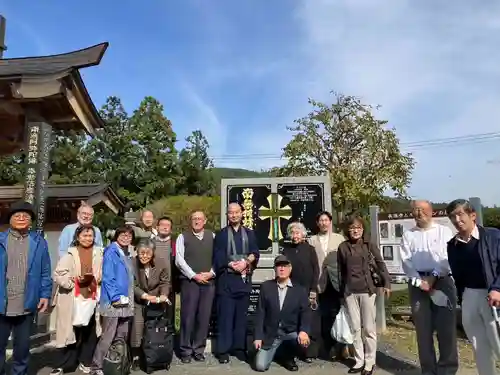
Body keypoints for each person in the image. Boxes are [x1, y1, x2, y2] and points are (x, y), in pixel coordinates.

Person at [399, 200, 458, 375]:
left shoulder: (444, 232)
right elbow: (406, 261)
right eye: (415, 210)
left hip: (442, 281)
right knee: (423, 331)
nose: (419, 213)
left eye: (423, 209)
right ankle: (428, 370)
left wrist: (433, 277)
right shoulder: (408, 235)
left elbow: (447, 257)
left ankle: (447, 369)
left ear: (431, 211)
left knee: (446, 329)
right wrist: (419, 281)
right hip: (418, 285)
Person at [446, 199, 500, 375]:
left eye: (460, 214)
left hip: (492, 295)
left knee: (498, 342)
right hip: (469, 296)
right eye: (452, 216)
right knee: (479, 346)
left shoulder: (492, 236)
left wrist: (497, 288)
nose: (457, 220)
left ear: (473, 215)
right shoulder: (453, 245)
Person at [0, 201, 52, 375]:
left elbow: (45, 271)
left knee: (22, 349)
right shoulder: (1, 240)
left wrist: (45, 295)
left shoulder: (39, 243)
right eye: (17, 215)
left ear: (31, 221)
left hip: (27, 302)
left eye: (26, 216)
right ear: (10, 220)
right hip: (2, 302)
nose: (21, 218)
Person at [338, 215, 390, 375]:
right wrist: (341, 292)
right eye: (352, 228)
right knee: (355, 328)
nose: (355, 231)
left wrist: (387, 283)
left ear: (363, 229)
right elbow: (341, 271)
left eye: (358, 228)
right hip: (349, 292)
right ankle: (358, 360)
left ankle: (370, 362)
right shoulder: (343, 247)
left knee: (368, 328)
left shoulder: (369, 245)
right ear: (348, 230)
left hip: (367, 291)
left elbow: (380, 264)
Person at [51, 225, 104, 375]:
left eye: (90, 236)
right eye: (84, 235)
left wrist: (97, 278)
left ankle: (85, 361)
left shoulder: (100, 254)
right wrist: (72, 281)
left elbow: (104, 273)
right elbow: (58, 274)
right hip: (72, 298)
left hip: (92, 297)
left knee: (90, 330)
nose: (88, 238)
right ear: (77, 237)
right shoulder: (69, 254)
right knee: (69, 331)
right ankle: (62, 365)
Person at [213, 202, 260, 363]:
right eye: (230, 213)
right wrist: (230, 263)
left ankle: (239, 348)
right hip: (226, 280)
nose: (233, 215)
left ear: (242, 213)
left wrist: (246, 262)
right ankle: (223, 351)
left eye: (236, 212)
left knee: (241, 317)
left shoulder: (250, 233)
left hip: (244, 280)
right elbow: (218, 255)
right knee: (225, 317)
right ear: (227, 215)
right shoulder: (221, 234)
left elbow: (255, 252)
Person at [253, 255, 311, 372]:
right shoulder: (266, 287)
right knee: (260, 366)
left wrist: (304, 331)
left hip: (290, 333)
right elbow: (260, 313)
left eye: (285, 266)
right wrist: (258, 337)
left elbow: (306, 312)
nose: (282, 269)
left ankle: (288, 357)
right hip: (272, 334)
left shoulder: (299, 290)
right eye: (279, 266)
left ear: (290, 269)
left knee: (301, 340)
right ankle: (276, 352)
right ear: (275, 269)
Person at [91, 225, 136, 375]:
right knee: (108, 337)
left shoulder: (126, 252)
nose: (125, 237)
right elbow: (108, 277)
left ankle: (116, 364)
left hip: (125, 302)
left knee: (121, 336)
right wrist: (115, 297)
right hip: (113, 302)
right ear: (116, 236)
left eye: (129, 235)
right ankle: (96, 366)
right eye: (122, 234)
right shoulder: (111, 252)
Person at [175, 211, 215, 363]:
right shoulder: (182, 237)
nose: (197, 221)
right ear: (190, 221)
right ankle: (185, 350)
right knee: (187, 317)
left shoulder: (212, 236)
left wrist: (211, 273)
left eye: (199, 219)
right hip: (190, 282)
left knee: (204, 317)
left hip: (208, 282)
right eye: (194, 219)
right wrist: (193, 275)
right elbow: (179, 260)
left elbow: (218, 257)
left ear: (205, 221)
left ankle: (199, 349)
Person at [308, 211, 346, 360]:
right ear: (317, 223)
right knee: (322, 316)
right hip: (320, 282)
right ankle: (326, 348)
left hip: (336, 281)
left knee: (338, 314)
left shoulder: (339, 238)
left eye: (326, 220)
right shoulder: (312, 240)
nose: (324, 223)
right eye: (321, 220)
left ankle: (340, 347)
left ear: (330, 222)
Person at [281, 221, 319, 362]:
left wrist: (314, 289)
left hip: (309, 290)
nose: (295, 236)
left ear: (303, 234)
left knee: (309, 320)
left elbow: (316, 270)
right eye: (292, 233)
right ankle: (294, 351)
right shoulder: (287, 250)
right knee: (293, 321)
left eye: (297, 233)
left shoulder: (310, 249)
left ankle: (309, 353)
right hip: (293, 290)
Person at [130, 238, 170, 368]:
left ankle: (155, 353)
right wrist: (145, 296)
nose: (144, 256)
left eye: (148, 253)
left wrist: (163, 295)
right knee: (138, 326)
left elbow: (165, 282)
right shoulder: (132, 263)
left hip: (156, 300)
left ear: (153, 253)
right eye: (141, 253)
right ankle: (136, 356)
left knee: (154, 328)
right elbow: (132, 284)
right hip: (139, 299)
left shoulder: (161, 262)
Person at [153, 216, 177, 329]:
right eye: (162, 225)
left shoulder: (175, 244)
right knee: (152, 314)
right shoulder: (150, 243)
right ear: (157, 227)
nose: (165, 227)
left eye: (168, 226)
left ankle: (168, 340)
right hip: (152, 285)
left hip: (169, 284)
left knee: (169, 314)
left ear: (171, 229)